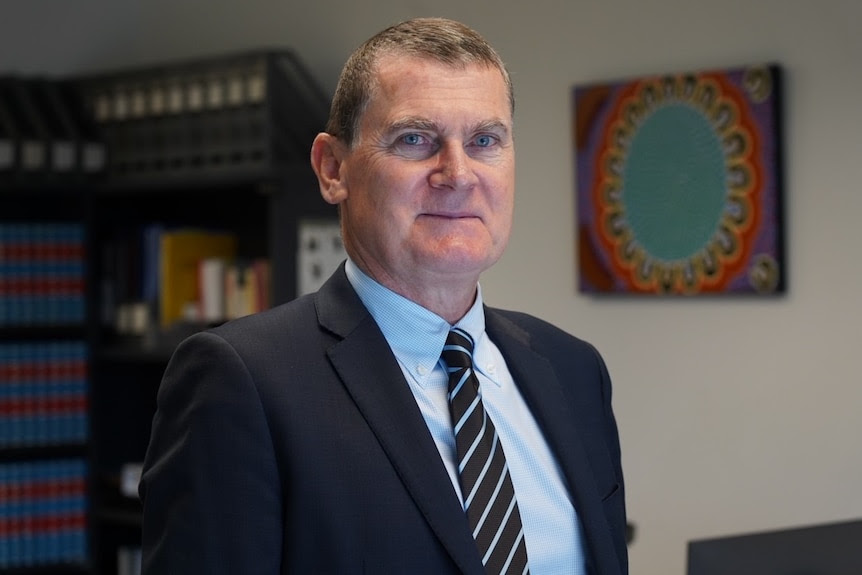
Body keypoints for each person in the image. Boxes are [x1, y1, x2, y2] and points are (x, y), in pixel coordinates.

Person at [139, 17, 627, 575]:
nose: (458, 173)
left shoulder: (574, 371)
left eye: (484, 141)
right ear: (332, 168)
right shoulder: (243, 381)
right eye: (415, 139)